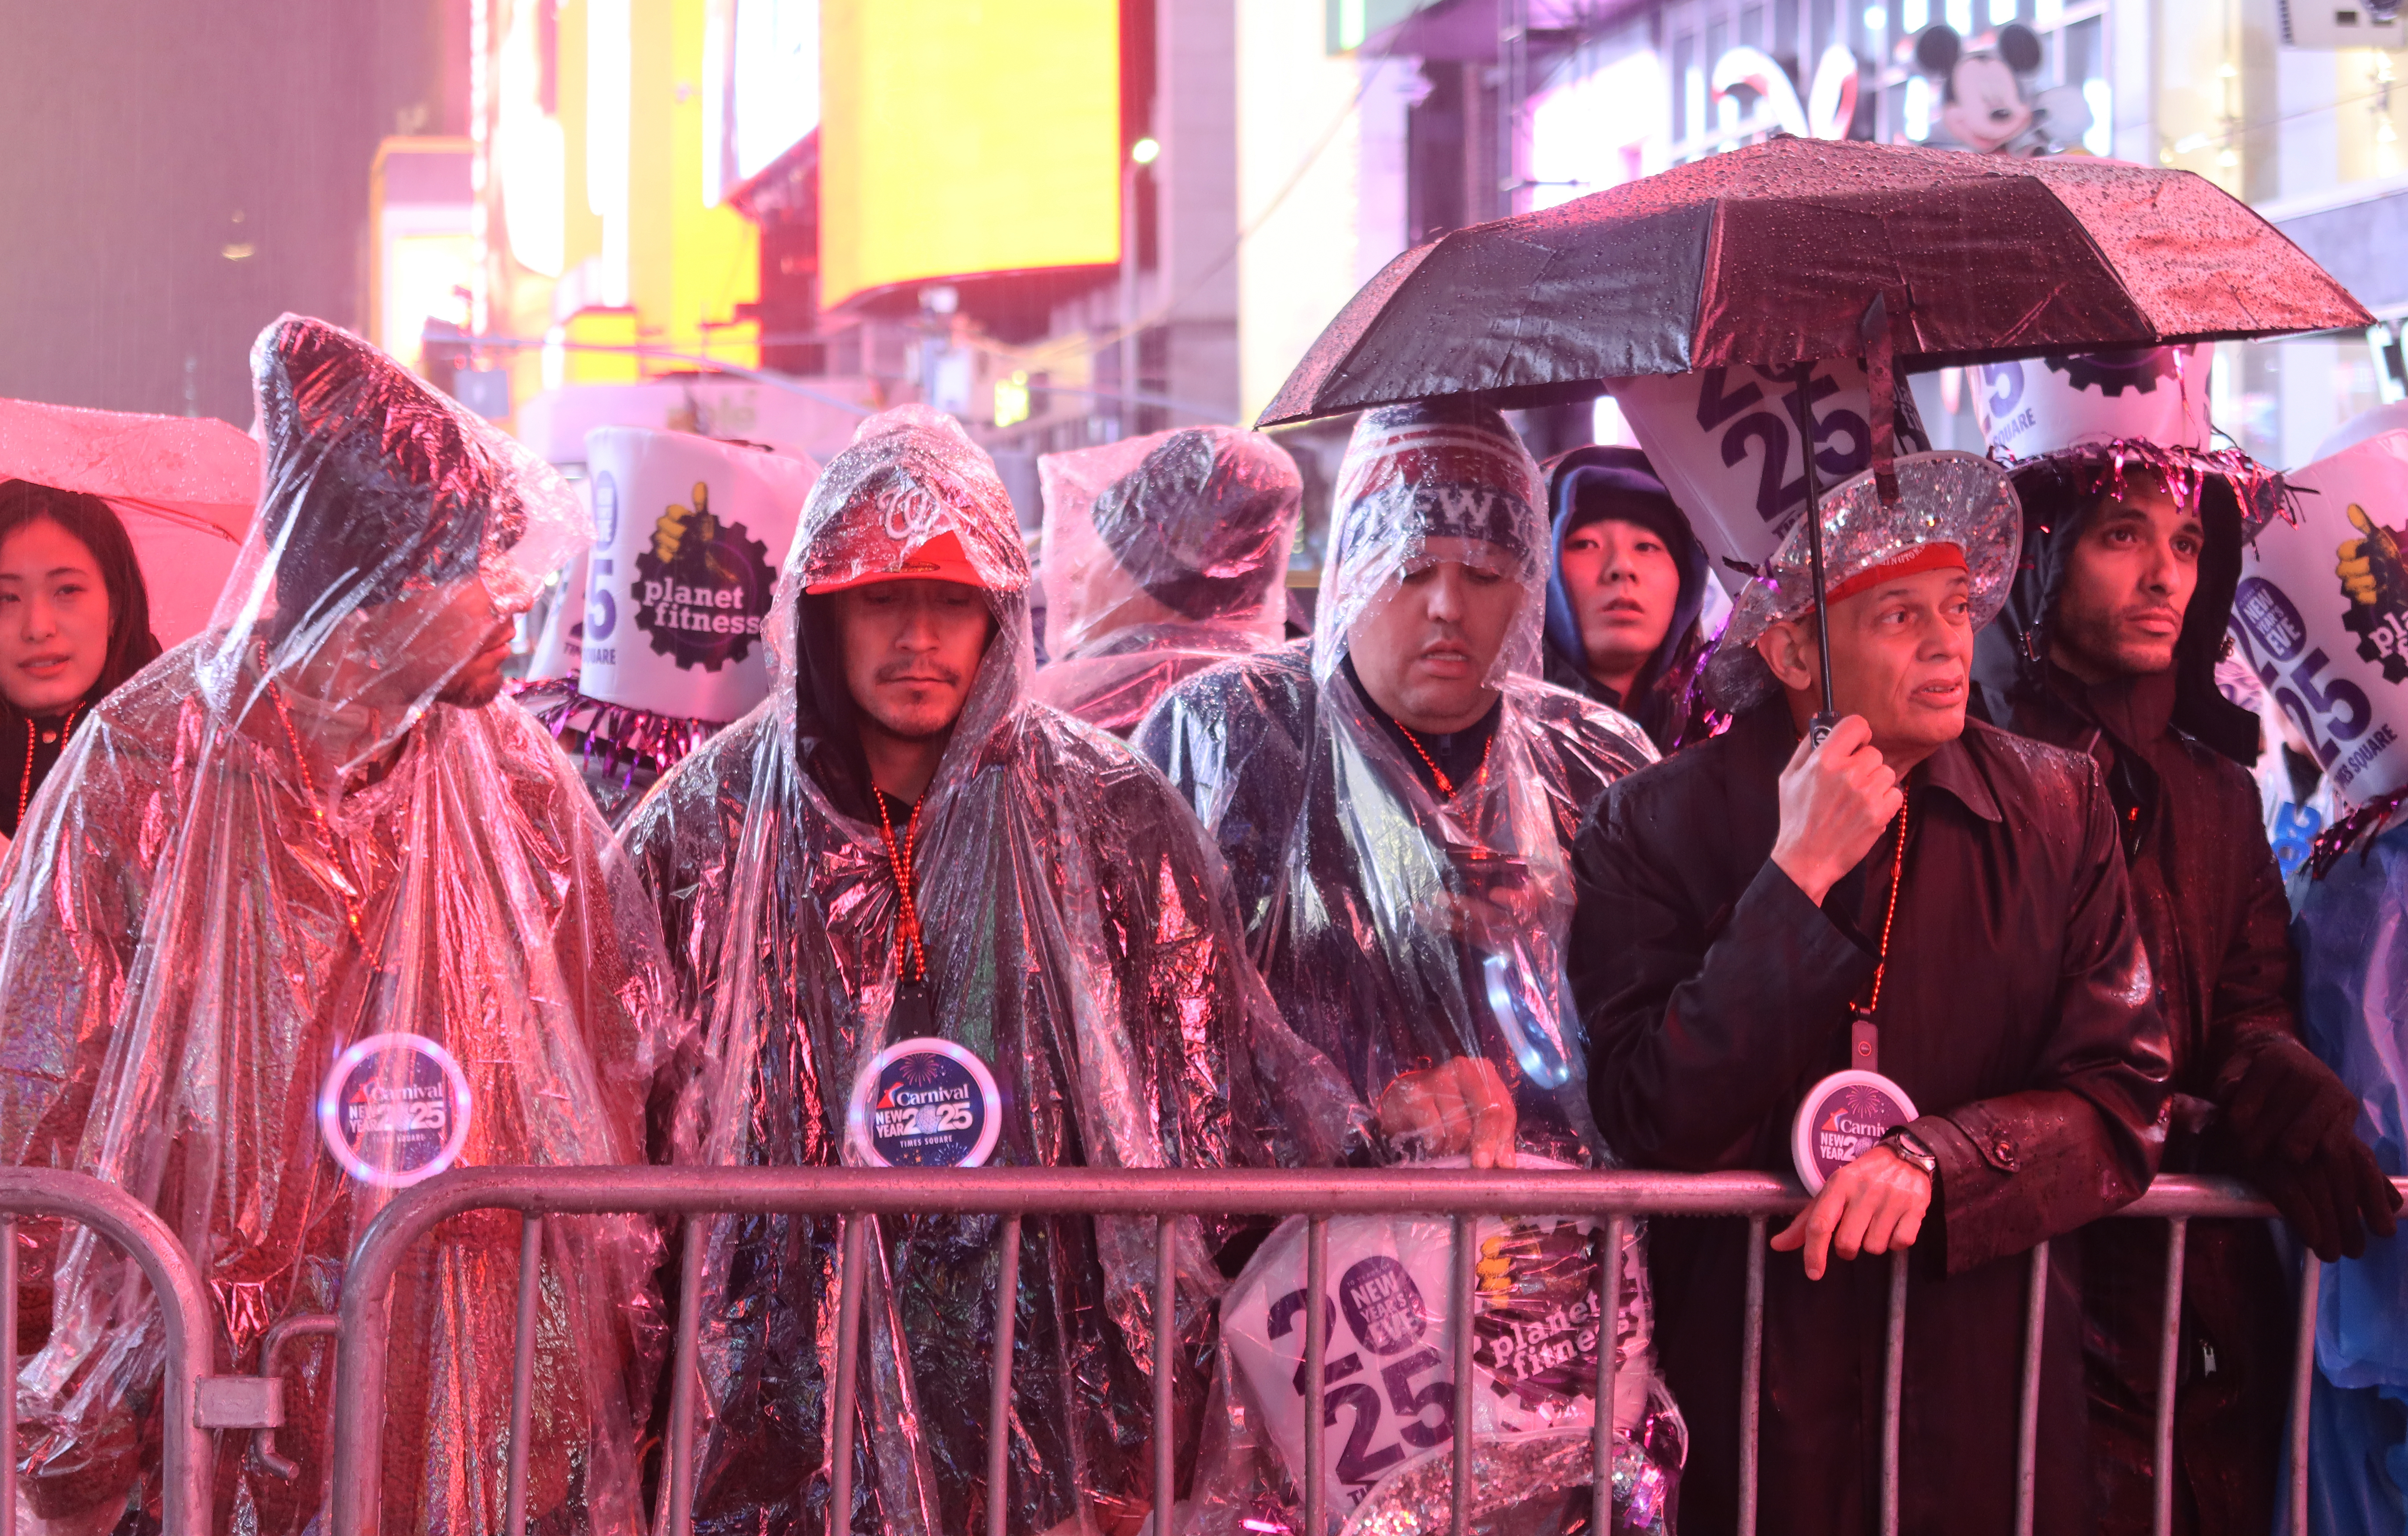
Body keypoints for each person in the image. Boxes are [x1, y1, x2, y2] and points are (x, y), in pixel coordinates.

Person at [622, 405, 1355, 1536]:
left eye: (951, 598)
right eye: (881, 595)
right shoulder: (705, 829)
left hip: (1049, 1379)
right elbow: (629, 1116)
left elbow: (1207, 1099)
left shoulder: (1106, 812)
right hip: (778, 1392)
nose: (917, 634)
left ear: (998, 613)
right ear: (819, 611)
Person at [0, 317, 672, 1534]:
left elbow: (608, 1056)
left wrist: (591, 1349)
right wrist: (61, 1386)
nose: (513, 597)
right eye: (472, 562)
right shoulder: (150, 763)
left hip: (467, 1355)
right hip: (211, 1374)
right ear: (368, 583)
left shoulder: (516, 781)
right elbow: (41, 1078)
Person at [1571, 451, 2174, 1536]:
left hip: (1980, 1395)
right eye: (1898, 615)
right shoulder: (1649, 822)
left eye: (1956, 606)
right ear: (1795, 645)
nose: (1950, 643)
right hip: (1745, 1406)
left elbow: (2121, 1094)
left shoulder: (2055, 806)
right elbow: (1648, 1109)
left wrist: (1937, 1159)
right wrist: (1790, 881)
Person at [1136, 401, 1681, 1533]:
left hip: (1553, 1329)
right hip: (1313, 1332)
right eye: (1413, 564)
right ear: (1352, 561)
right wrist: (1349, 1121)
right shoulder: (1224, 741)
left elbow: (1657, 1044)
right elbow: (1158, 1049)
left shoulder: (1597, 762)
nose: (1446, 605)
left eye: (1485, 571)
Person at [1971, 442, 2401, 1536]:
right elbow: (1993, 1040)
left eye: (2185, 544)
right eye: (2122, 536)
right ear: (2039, 559)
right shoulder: (1965, 769)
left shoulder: (2214, 790)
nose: (2163, 573)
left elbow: (2245, 1005)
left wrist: (2279, 1089)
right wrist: (2201, 1128)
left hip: (2201, 1309)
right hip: (2028, 1298)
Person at [1031, 424, 1302, 735]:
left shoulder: (1075, 722)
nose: (1073, 573)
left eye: (1108, 547)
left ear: (1163, 577)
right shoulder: (1278, 707)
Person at [0, 480, 161, 858]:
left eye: (67, 590)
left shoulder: (179, 758)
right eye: (6, 597)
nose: (38, 627)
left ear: (115, 609)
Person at [1538, 445, 1718, 752]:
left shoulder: (1721, 742)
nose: (1621, 567)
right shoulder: (1497, 744)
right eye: (1585, 544)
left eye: (1646, 547)